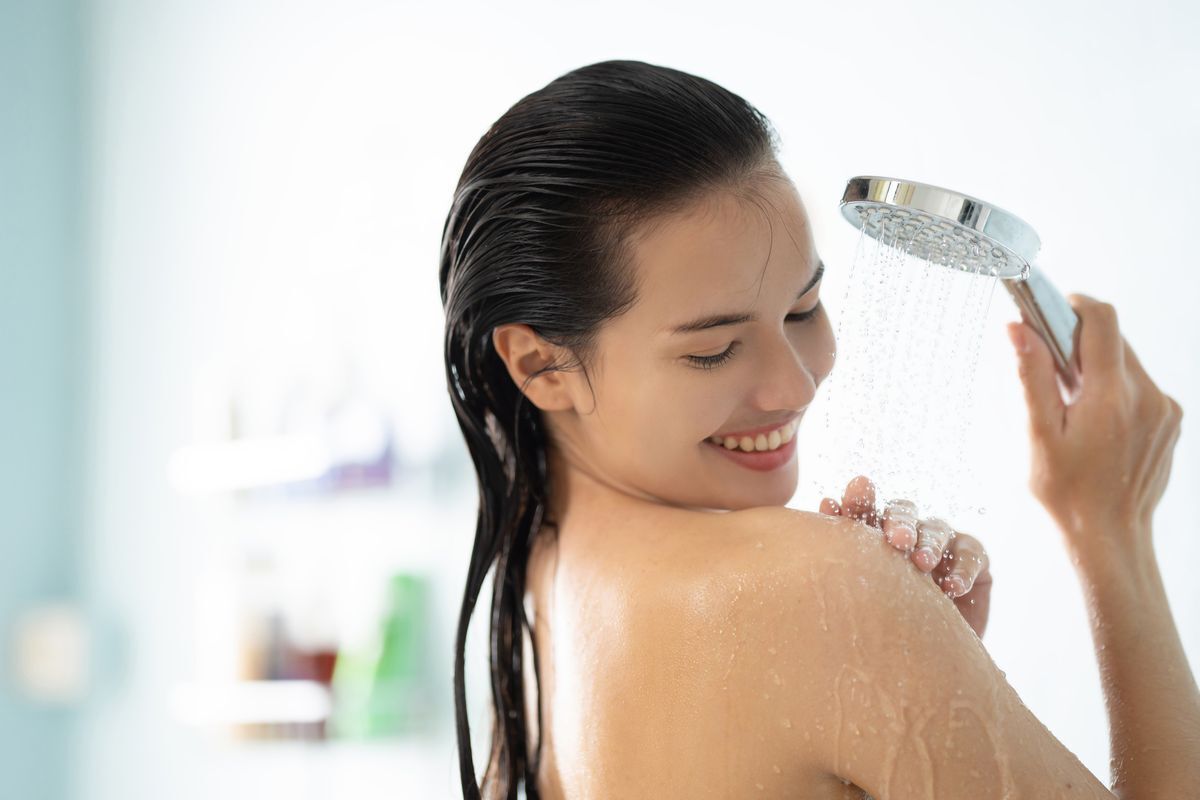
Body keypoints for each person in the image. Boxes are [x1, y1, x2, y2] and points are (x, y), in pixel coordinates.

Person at [438, 59, 1199, 799]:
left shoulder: (540, 578)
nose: (798, 383)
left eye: (803, 310)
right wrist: (1113, 530)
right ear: (540, 365)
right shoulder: (813, 591)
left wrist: (922, 667)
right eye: (714, 350)